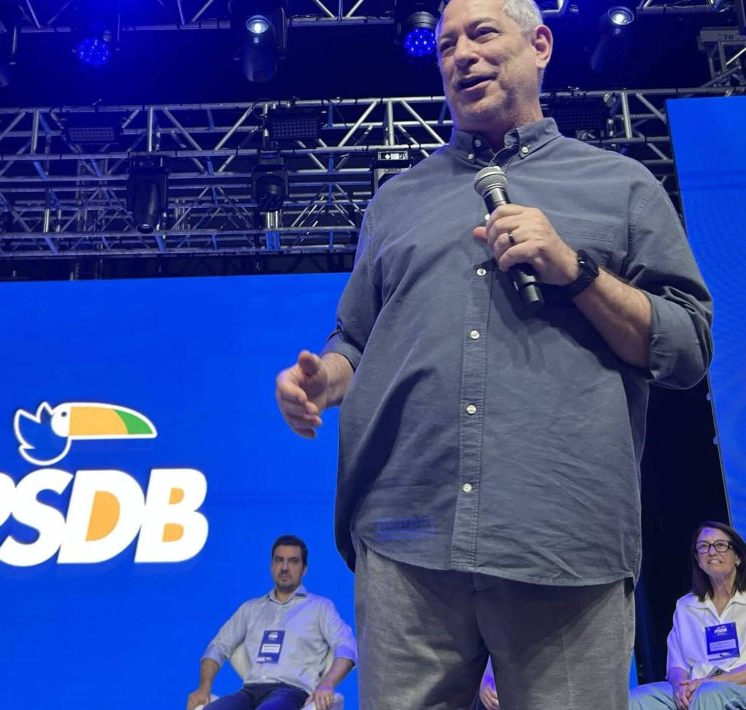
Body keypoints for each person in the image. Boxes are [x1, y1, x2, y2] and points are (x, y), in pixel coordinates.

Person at [273, 0, 712, 704]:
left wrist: (576, 270)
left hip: (562, 535)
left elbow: (686, 348)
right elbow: (355, 339)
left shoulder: (622, 186)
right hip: (406, 531)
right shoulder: (396, 201)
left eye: (482, 34)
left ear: (540, 45)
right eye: (446, 45)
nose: (462, 55)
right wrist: (325, 379)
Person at [628, 522, 746, 710]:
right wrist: (679, 687)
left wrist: (709, 682)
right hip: (696, 687)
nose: (711, 552)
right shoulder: (686, 606)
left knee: (708, 694)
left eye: (720, 545)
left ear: (737, 556)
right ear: (698, 559)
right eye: (703, 546)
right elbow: (677, 666)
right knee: (638, 698)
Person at [186, 535, 357, 710]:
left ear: (304, 568)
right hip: (249, 692)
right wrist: (204, 688)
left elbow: (347, 646)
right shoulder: (250, 609)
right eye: (279, 560)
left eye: (293, 561)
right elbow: (218, 647)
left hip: (291, 692)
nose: (285, 567)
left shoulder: (320, 607)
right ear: (271, 566)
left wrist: (327, 683)